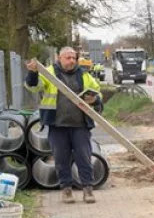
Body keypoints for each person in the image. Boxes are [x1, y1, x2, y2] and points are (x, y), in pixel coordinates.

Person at [25, 47, 103, 204]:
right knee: (61, 158)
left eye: (74, 58)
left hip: (80, 125)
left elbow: (97, 91)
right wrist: (32, 73)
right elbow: (33, 86)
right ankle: (66, 189)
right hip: (57, 125)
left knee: (84, 157)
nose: (71, 61)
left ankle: (88, 189)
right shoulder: (48, 73)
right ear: (59, 58)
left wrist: (95, 100)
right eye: (68, 58)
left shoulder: (84, 75)